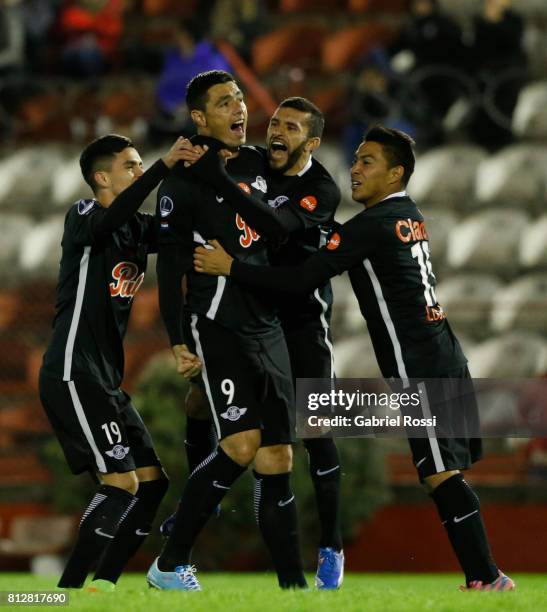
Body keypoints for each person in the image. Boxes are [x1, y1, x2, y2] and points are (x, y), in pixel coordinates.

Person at [193, 125, 516, 592]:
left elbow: (303, 279)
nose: (356, 169)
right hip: (443, 350)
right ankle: (483, 576)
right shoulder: (408, 215)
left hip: (417, 362)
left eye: (368, 162)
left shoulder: (372, 226)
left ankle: (487, 577)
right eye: (357, 159)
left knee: (439, 473)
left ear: (396, 172)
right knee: (442, 471)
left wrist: (232, 268)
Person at [163, 96, 345, 588]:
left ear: (312, 142)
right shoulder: (254, 163)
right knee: (206, 405)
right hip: (248, 316)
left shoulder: (321, 188)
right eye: (275, 123)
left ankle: (331, 545)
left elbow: (278, 230)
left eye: (291, 127)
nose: (276, 132)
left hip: (299, 320)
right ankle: (202, 504)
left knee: (312, 432)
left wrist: (231, 267)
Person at [147, 70, 307, 592]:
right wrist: (176, 337)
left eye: (240, 98)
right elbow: (170, 269)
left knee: (277, 456)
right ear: (199, 117)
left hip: (268, 324)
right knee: (240, 444)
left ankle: (293, 589)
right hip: (218, 322)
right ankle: (169, 564)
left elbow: (283, 229)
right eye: (224, 102)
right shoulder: (181, 182)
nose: (239, 108)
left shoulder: (262, 165)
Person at [38, 133, 193, 592]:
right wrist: (164, 167)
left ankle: (102, 587)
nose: (139, 171)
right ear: (101, 178)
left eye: (141, 164)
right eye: (132, 166)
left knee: (151, 483)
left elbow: (180, 231)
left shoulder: (135, 228)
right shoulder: (84, 216)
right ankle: (65, 594)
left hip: (105, 379)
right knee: (122, 482)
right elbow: (111, 221)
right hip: (73, 370)